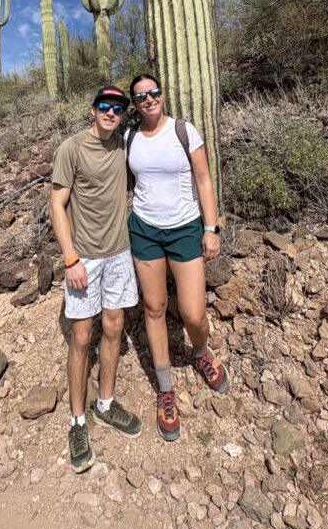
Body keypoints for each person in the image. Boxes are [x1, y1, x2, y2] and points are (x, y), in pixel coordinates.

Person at [125, 74, 228, 442]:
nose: (148, 99)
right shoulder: (129, 138)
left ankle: (200, 350)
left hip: (185, 229)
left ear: (162, 95)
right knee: (153, 308)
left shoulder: (184, 131)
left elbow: (204, 179)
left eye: (153, 92)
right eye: (140, 96)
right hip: (144, 231)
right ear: (134, 104)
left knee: (193, 313)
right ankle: (165, 390)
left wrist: (211, 228)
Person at [49, 84, 142, 473]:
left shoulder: (123, 144)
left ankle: (104, 404)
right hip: (84, 257)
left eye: (118, 108)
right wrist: (70, 258)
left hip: (119, 253)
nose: (111, 112)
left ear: (123, 114)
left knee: (114, 328)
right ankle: (76, 421)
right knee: (82, 336)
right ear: (92, 110)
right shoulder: (71, 148)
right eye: (104, 106)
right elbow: (57, 203)